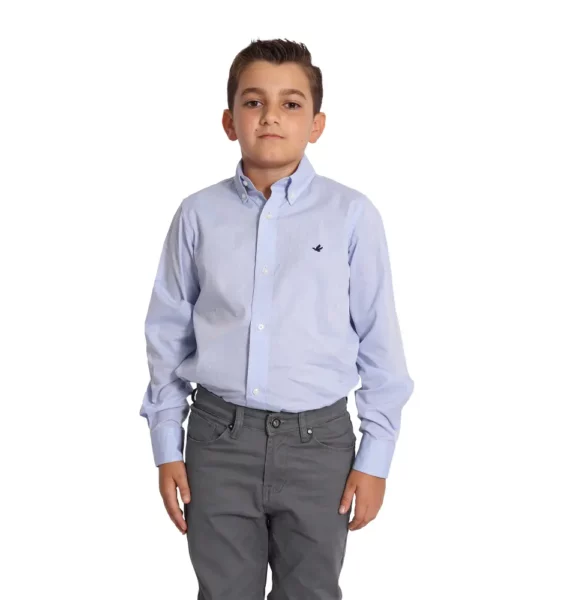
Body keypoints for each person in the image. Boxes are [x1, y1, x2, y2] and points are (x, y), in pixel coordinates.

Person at [140, 37, 415, 600]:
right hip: (218, 442)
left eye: (290, 104)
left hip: (320, 447)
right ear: (229, 120)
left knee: (311, 591)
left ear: (316, 124)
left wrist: (376, 458)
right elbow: (167, 335)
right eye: (253, 102)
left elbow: (379, 341)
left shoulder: (351, 215)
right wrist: (167, 444)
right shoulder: (198, 215)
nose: (270, 116)